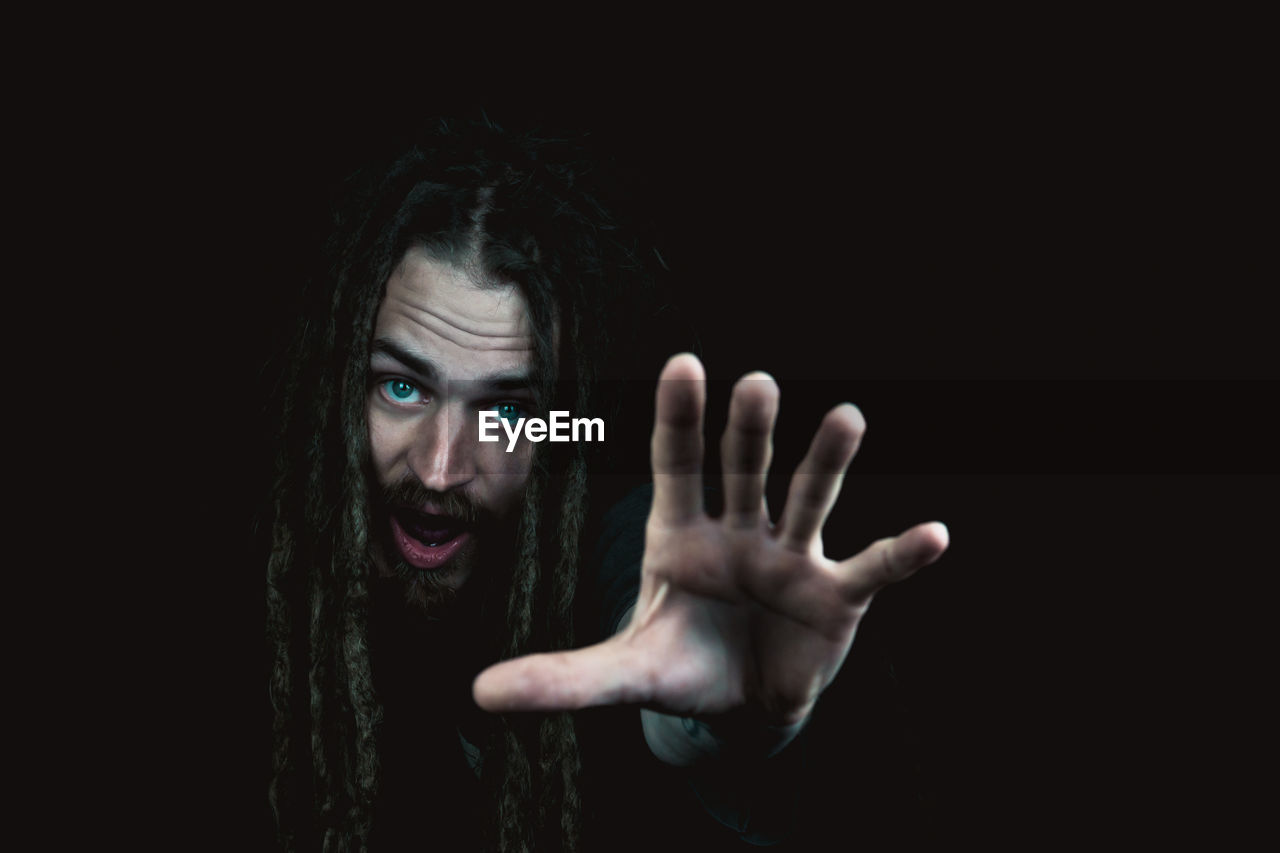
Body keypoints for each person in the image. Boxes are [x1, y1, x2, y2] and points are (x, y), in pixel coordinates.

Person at [263, 116, 949, 851]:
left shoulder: (600, 520)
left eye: (506, 410)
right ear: (341, 387)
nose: (438, 468)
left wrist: (716, 715)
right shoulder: (275, 543)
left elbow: (645, 595)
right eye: (401, 387)